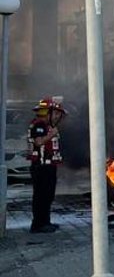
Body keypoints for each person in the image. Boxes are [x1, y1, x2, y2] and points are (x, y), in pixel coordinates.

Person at [27, 98, 65, 234]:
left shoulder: (46, 125)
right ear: (47, 112)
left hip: (49, 166)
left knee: (48, 195)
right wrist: (51, 135)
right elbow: (38, 142)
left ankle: (45, 222)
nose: (57, 117)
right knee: (41, 196)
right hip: (41, 167)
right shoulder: (39, 124)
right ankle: (38, 224)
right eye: (55, 113)